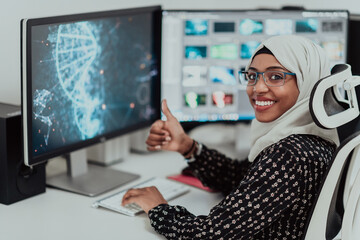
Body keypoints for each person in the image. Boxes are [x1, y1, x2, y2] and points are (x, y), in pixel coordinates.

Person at [121, 35, 340, 239]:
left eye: (276, 76)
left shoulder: (290, 154)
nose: (258, 87)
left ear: (307, 82)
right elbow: (241, 178)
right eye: (252, 75)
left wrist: (158, 208)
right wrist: (188, 146)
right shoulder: (313, 137)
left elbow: (213, 234)